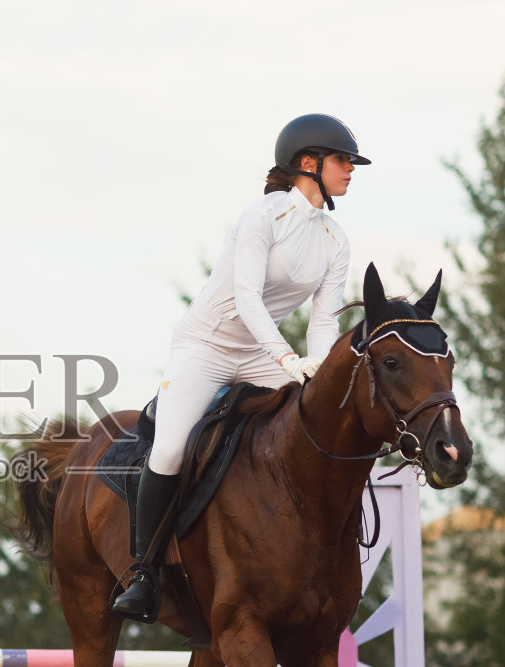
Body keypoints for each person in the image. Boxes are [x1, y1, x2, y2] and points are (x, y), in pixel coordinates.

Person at [110, 114, 368, 623]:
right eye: (343, 161)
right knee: (170, 447)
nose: (350, 171)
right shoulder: (261, 217)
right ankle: (144, 572)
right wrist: (288, 360)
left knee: (315, 422)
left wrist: (316, 367)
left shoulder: (336, 240)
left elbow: (322, 321)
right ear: (308, 164)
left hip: (262, 352)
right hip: (206, 346)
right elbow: (247, 297)